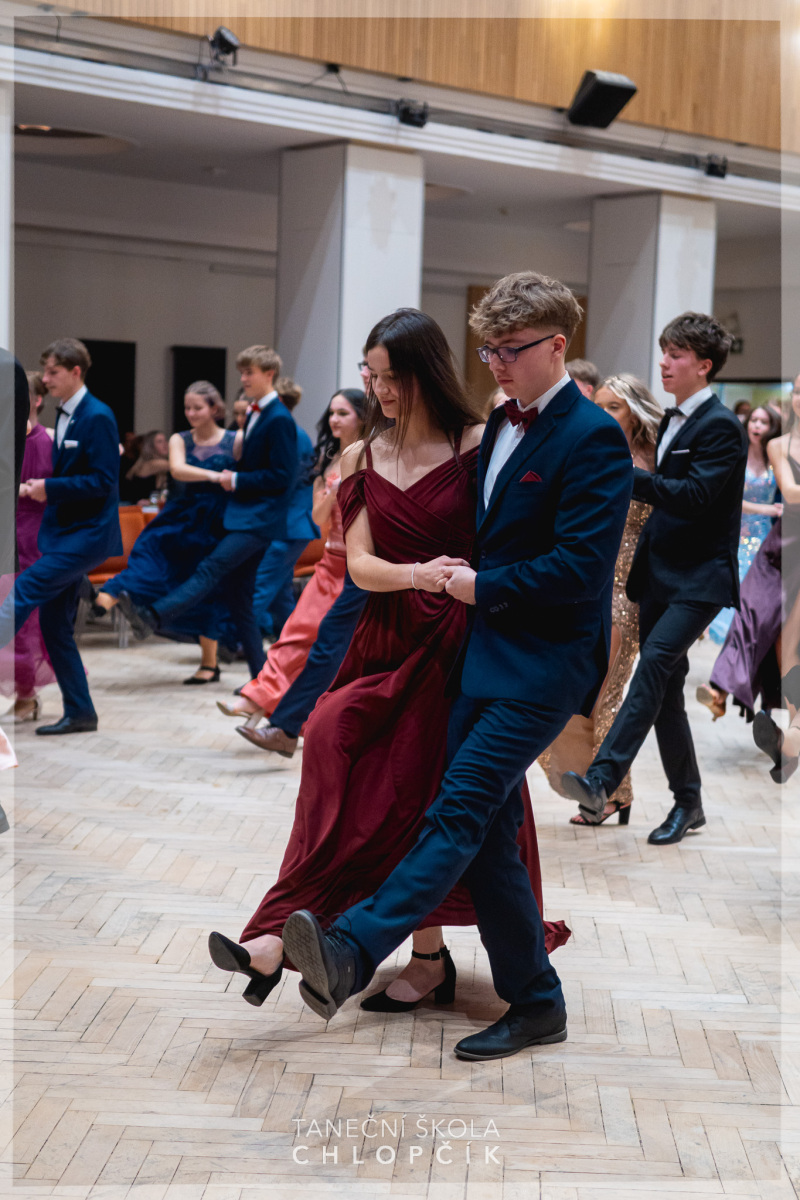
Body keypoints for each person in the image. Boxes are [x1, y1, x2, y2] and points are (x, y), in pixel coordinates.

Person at [263, 277, 631, 1064]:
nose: (495, 364)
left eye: (510, 350)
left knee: (456, 808)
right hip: (481, 657)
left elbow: (579, 570)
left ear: (556, 346)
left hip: (543, 665)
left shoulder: (593, 436)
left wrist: (475, 587)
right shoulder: (497, 424)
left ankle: (351, 948)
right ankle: (536, 1001)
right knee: (487, 838)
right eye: (488, 351)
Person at [562, 312, 747, 845]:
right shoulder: (673, 421)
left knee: (654, 667)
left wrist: (625, 476)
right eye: (664, 351)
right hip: (660, 576)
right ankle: (688, 803)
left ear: (704, 365)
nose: (664, 362)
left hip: (700, 579)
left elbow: (693, 497)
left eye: (676, 355)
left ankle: (602, 779)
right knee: (665, 695)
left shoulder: (721, 427)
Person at [119, 346, 297, 680]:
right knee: (241, 603)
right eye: (242, 372)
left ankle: (153, 617)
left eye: (249, 372)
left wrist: (236, 479)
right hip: (244, 515)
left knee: (210, 568)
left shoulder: (278, 418)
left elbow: (282, 477)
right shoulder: (257, 414)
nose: (243, 378)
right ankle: (260, 681)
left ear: (269, 374)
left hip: (260, 520)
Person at [539, 374, 662, 824]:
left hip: (627, 594)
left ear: (636, 413)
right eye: (602, 405)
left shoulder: (654, 460)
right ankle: (601, 785)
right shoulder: (595, 451)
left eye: (615, 407)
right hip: (586, 590)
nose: (604, 414)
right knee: (573, 692)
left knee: (606, 694)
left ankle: (610, 792)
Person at [217, 388, 366, 732]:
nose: (334, 420)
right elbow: (318, 517)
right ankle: (259, 697)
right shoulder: (328, 459)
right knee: (296, 631)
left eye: (342, 413)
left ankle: (282, 710)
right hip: (331, 561)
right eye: (332, 413)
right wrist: (332, 494)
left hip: (358, 567)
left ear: (361, 416)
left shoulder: (373, 457)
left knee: (328, 644)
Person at [0, 338, 122, 735]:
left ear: (75, 371)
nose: (46, 379)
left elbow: (103, 481)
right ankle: (81, 712)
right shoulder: (67, 412)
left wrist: (48, 488)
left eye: (53, 372)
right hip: (64, 533)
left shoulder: (97, 415)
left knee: (24, 590)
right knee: (55, 627)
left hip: (86, 536)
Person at [95, 382, 237, 684]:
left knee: (207, 591)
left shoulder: (235, 440)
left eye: (197, 407)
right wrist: (216, 476)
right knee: (151, 559)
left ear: (214, 408)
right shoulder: (179, 439)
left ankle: (210, 664)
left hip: (216, 522)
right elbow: (178, 470)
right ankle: (106, 597)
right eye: (187, 408)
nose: (191, 413)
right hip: (179, 517)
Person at [699, 373, 800, 725]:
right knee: (750, 612)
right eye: (797, 391)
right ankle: (720, 688)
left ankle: (785, 720)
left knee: (785, 635)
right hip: (777, 543)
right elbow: (790, 493)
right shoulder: (779, 445)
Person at [0, 372, 56, 722]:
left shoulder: (48, 440)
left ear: (36, 400)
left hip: (34, 536)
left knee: (24, 620)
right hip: (7, 531)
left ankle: (26, 694)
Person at [705, 406, 781, 647]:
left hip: (764, 534)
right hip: (737, 532)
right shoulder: (738, 454)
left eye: (763, 422)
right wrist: (768, 509)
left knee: (757, 593)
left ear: (772, 427)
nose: (756, 425)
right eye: (754, 420)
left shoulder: (775, 457)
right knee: (734, 589)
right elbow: (730, 498)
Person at [251, 377, 318, 642]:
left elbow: (281, 484)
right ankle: (293, 643)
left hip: (288, 525)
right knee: (280, 594)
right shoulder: (295, 432)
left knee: (260, 586)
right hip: (292, 523)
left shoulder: (286, 432)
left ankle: (234, 640)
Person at [121, 430, 170, 504]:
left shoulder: (144, 462)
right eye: (159, 442)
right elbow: (177, 468)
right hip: (136, 507)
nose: (165, 444)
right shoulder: (155, 463)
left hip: (145, 505)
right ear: (151, 446)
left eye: (165, 440)